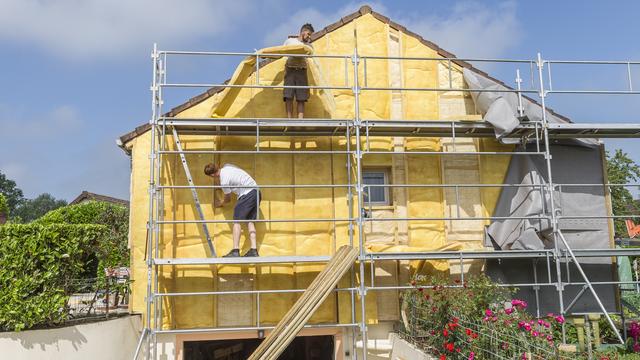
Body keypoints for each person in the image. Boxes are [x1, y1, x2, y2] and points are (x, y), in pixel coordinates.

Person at [204, 163, 261, 257]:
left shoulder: (224, 181)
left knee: (236, 221)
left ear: (212, 175)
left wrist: (220, 203)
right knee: (250, 221)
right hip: (256, 192)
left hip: (246, 194)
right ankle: (254, 250)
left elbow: (228, 199)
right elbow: (236, 177)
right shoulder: (228, 166)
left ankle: (235, 250)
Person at [283, 23, 314, 119]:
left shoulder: (309, 46)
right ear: (303, 32)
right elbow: (281, 51)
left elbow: (311, 57)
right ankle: (289, 120)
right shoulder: (290, 41)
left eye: (310, 35)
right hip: (290, 69)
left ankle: (300, 120)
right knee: (288, 96)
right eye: (308, 34)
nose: (309, 37)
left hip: (302, 71)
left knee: (301, 97)